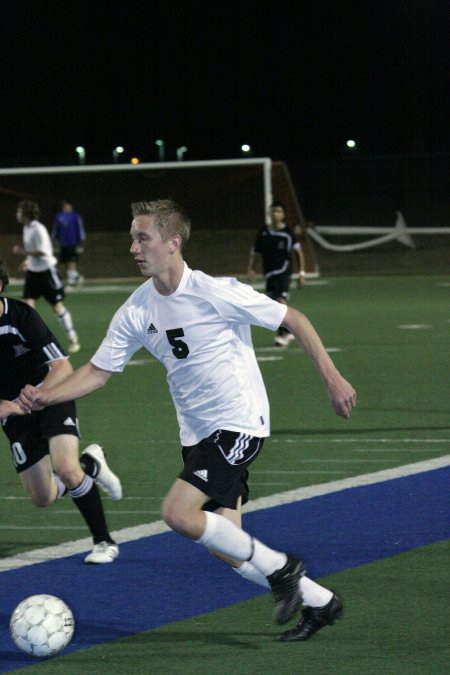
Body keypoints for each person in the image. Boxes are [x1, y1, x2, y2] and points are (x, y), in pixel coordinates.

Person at [19, 199, 356, 640]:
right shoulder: (137, 310)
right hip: (197, 432)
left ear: (173, 243)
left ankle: (284, 568)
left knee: (177, 513)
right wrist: (46, 396)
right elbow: (98, 372)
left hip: (239, 422)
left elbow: (293, 317)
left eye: (144, 238)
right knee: (226, 548)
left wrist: (332, 379)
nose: (134, 248)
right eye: (132, 239)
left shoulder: (214, 291)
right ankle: (321, 603)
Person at [0, 260, 121, 564]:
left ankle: (104, 541)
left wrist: (42, 395)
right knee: (43, 497)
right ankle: (90, 466)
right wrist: (7, 406)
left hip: (51, 392)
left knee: (65, 468)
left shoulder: (21, 316)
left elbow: (62, 366)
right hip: (13, 412)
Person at [12, 200, 81, 354]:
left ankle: (72, 337)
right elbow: (32, 250)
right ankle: (27, 344)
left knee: (57, 306)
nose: (16, 214)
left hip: (47, 272)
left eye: (19, 211)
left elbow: (43, 252)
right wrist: (27, 261)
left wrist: (22, 252)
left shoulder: (39, 229)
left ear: (25, 214)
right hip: (33, 272)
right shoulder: (26, 228)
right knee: (27, 308)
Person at [247, 201, 306, 347]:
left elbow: (298, 253)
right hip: (269, 274)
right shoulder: (263, 232)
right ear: (269, 213)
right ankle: (288, 330)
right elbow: (256, 253)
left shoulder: (288, 234)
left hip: (284, 271)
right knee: (273, 303)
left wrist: (301, 273)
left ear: (283, 215)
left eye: (278, 211)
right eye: (273, 211)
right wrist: (251, 268)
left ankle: (283, 333)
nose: (275, 214)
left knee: (280, 300)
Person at [52, 200, 86, 287]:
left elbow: (80, 229)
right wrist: (54, 240)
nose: (68, 207)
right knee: (64, 263)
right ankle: (75, 278)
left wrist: (81, 241)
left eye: (69, 205)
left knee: (71, 262)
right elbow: (56, 229)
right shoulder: (59, 216)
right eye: (66, 206)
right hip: (63, 243)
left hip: (72, 243)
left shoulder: (75, 216)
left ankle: (74, 280)